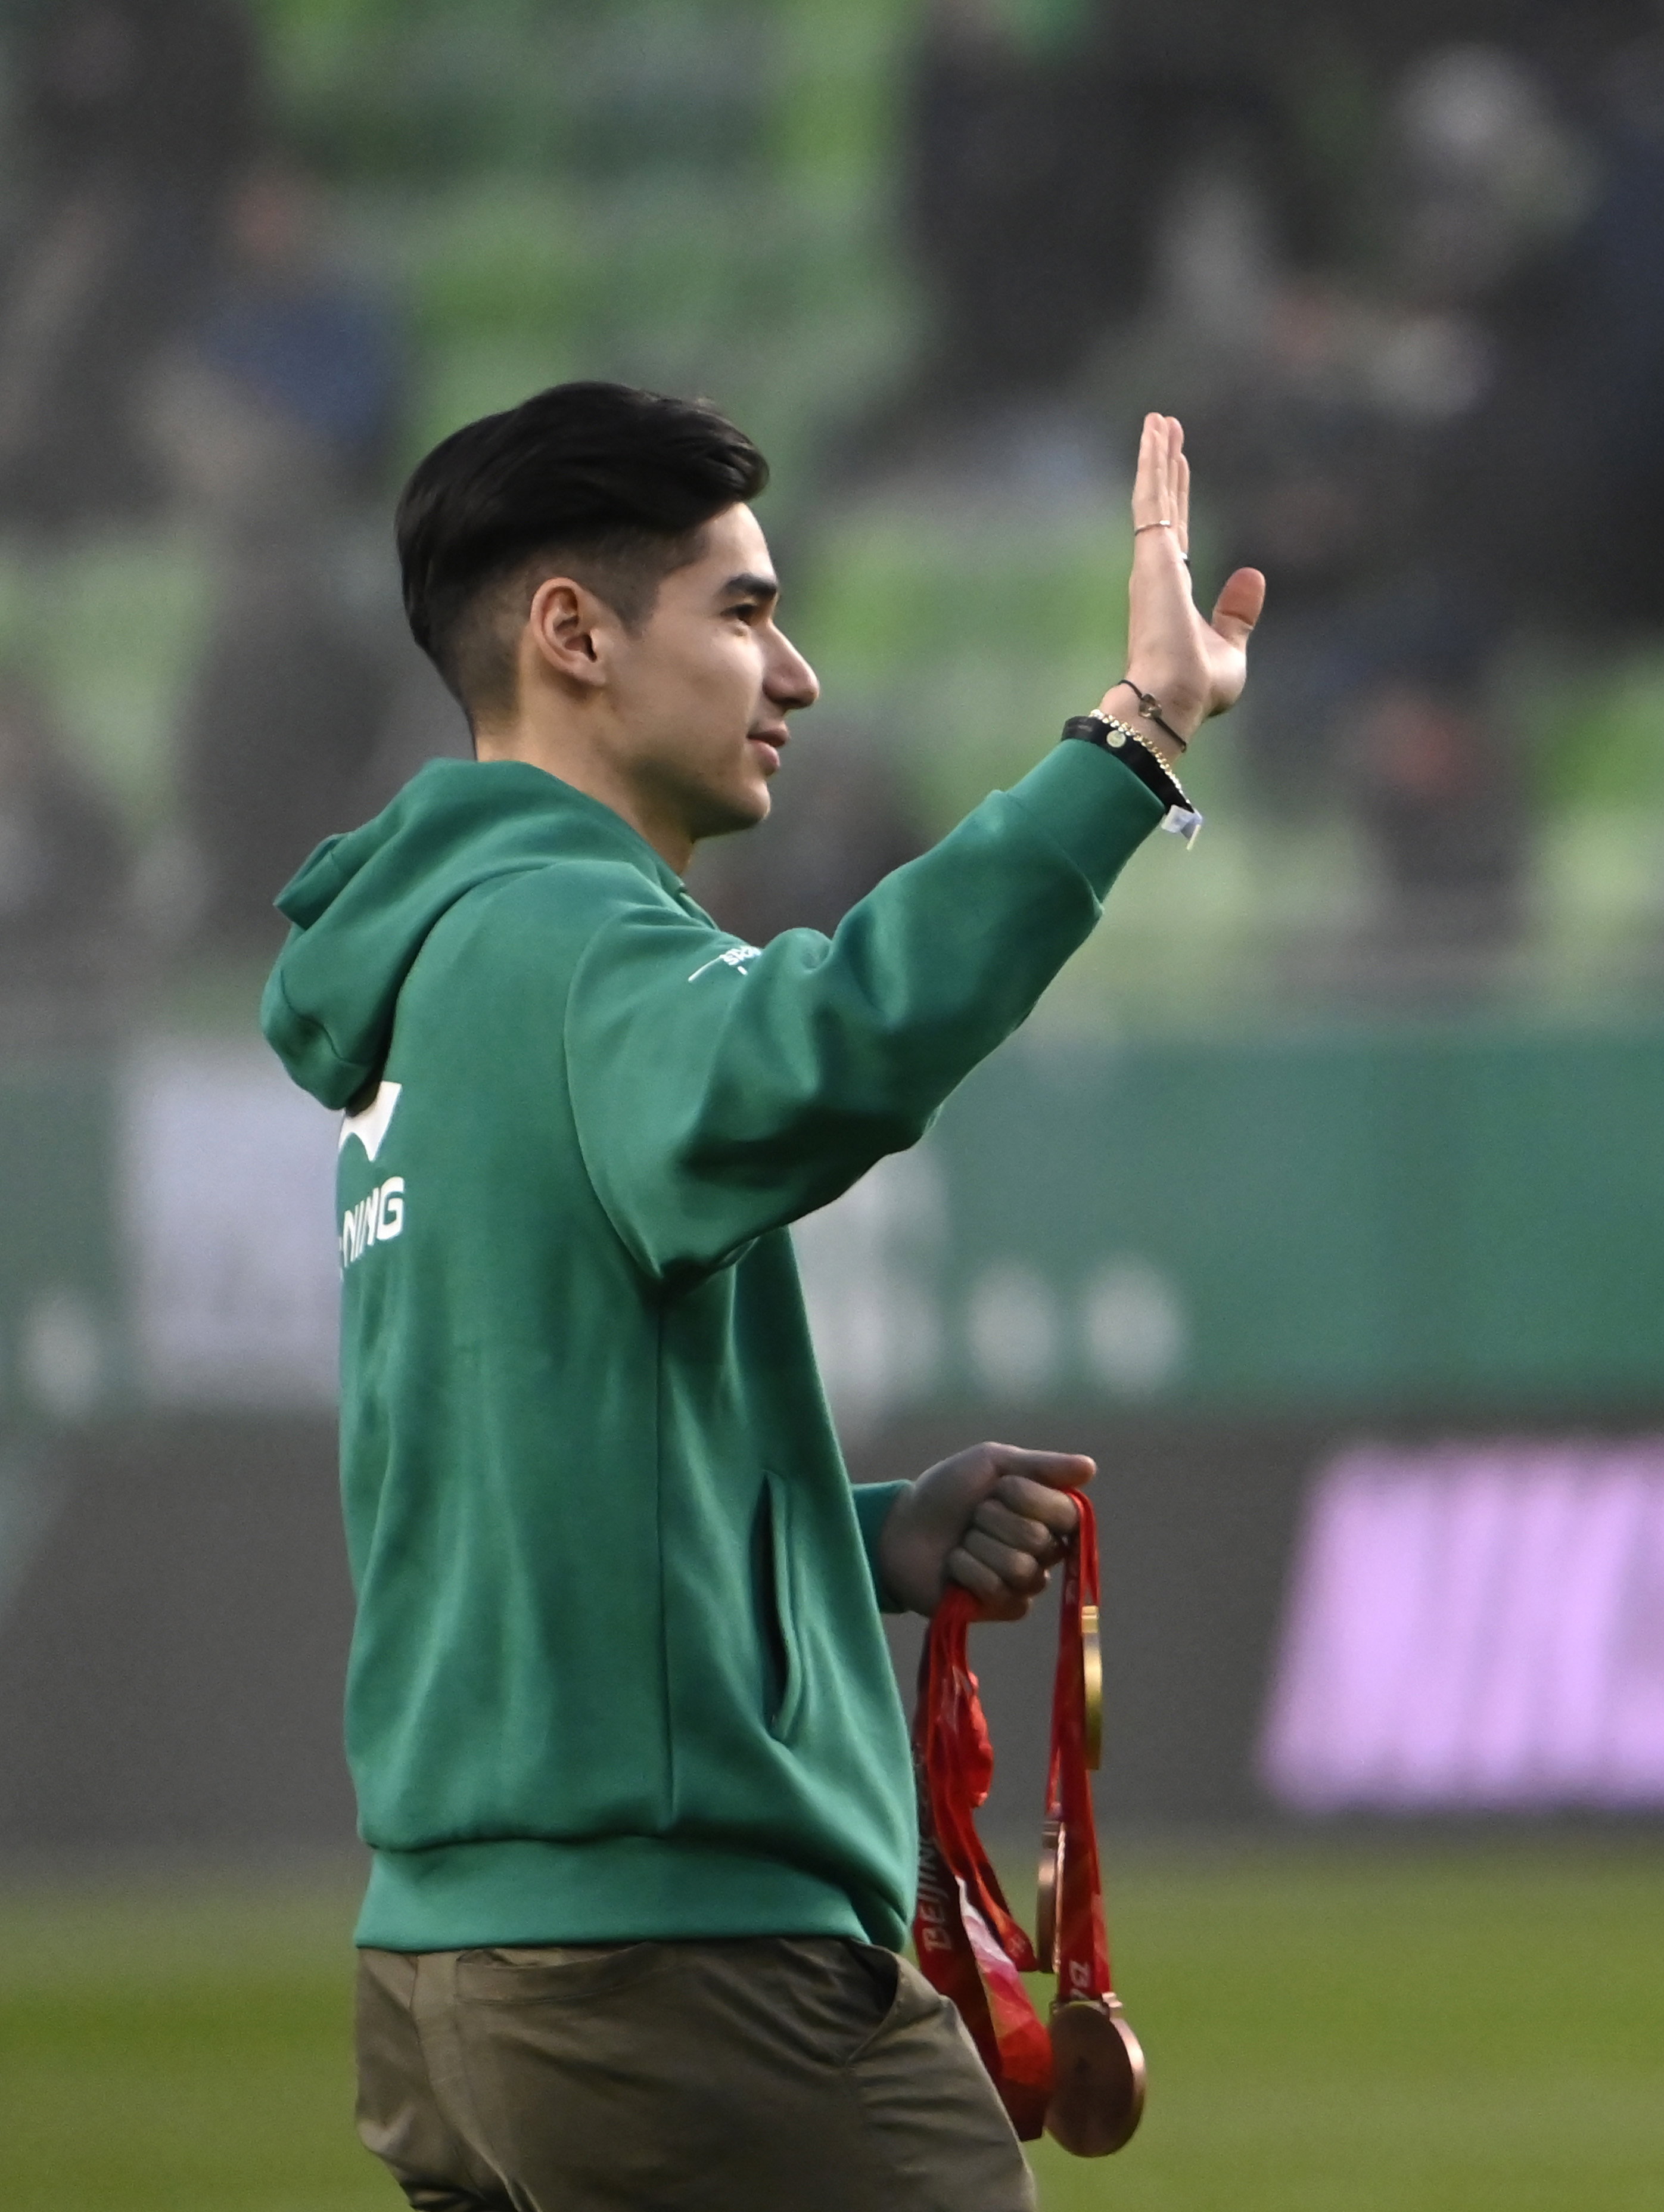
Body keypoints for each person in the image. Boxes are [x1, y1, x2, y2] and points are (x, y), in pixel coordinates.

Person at [259, 384, 1264, 2210]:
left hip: (453, 1976)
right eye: (742, 613)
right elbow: (831, 1049)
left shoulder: (432, 985)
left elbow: (530, 1475)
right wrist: (1132, 739)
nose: (793, 675)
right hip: (669, 1970)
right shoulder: (570, 941)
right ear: (574, 635)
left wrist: (858, 1537)